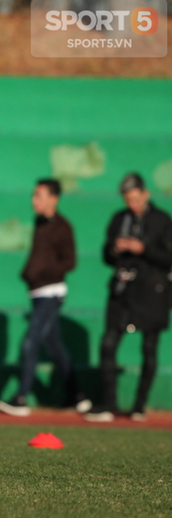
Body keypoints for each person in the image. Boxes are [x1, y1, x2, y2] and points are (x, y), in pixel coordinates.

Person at [0, 179, 90, 417]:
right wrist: (28, 273)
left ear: (53, 199)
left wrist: (42, 272)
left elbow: (70, 262)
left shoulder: (63, 227)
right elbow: (37, 256)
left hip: (52, 293)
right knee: (55, 347)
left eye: (39, 195)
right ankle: (77, 396)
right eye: (33, 195)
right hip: (36, 293)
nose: (33, 200)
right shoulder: (39, 222)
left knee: (30, 342)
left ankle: (21, 398)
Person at [85, 173, 172, 423]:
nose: (132, 204)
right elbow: (106, 254)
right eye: (127, 200)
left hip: (152, 292)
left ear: (145, 194)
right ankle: (110, 405)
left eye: (135, 198)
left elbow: (169, 258)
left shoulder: (162, 220)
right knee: (108, 343)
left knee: (149, 348)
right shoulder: (119, 219)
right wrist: (115, 248)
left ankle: (139, 406)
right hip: (123, 290)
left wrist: (143, 249)